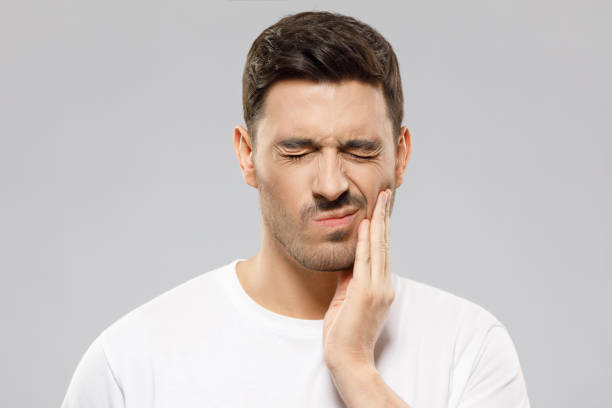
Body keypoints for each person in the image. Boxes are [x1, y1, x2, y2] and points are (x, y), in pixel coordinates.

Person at [61, 11, 530, 408]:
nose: (331, 185)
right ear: (247, 155)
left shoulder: (470, 348)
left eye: (360, 149)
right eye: (297, 152)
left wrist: (355, 371)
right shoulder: (132, 363)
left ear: (401, 156)